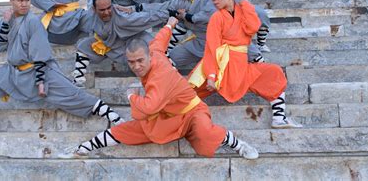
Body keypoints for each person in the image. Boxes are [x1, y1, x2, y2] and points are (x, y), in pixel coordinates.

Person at [73, 17, 259, 159]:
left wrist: (131, 97)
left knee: (205, 134)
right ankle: (88, 146)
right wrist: (170, 24)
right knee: (134, 129)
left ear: (147, 57)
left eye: (140, 61)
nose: (136, 66)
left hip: (192, 112)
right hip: (166, 114)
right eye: (131, 62)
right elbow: (161, 39)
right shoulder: (154, 51)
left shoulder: (159, 76)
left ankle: (238, 144)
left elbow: (149, 107)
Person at [0, 0, 124, 132]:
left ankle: (118, 120)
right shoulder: (8, 20)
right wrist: (6, 24)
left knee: (76, 95)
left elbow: (40, 53)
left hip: (39, 72)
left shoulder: (33, 22)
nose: (24, 4)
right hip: (13, 72)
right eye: (20, 0)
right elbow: (0, 43)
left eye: (27, 0)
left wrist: (41, 81)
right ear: (12, 1)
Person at [189, 0, 302, 129]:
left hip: (241, 65)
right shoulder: (217, 17)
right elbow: (212, 48)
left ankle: (279, 118)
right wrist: (211, 75)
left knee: (274, 72)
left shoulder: (243, 10)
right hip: (224, 67)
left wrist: (246, 5)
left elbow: (252, 28)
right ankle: (170, 116)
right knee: (187, 91)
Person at [122, 0, 216, 68]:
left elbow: (208, 15)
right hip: (198, 44)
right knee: (168, 59)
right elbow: (162, 6)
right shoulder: (181, 1)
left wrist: (186, 16)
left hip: (217, 42)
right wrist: (135, 8)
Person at [71, 0, 166, 87]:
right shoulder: (89, 16)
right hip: (105, 45)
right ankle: (78, 79)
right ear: (94, 9)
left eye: (109, 8)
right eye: (102, 10)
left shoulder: (124, 17)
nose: (107, 12)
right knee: (83, 45)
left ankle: (163, 73)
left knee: (149, 43)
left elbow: (146, 18)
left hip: (127, 47)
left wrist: (169, 14)